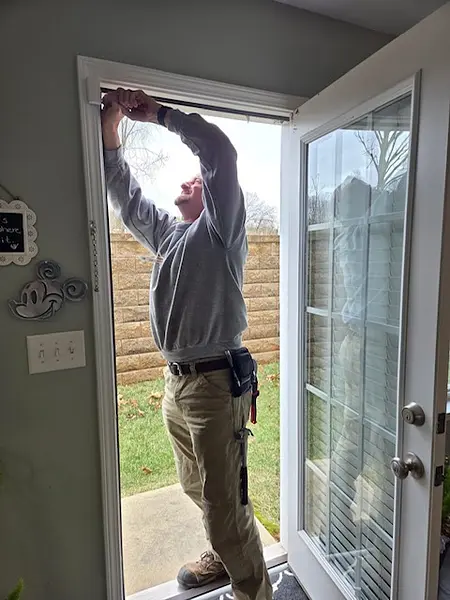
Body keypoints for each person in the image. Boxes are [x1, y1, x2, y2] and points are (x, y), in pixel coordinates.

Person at [101, 88, 272, 600]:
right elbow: (127, 197)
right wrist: (111, 134)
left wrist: (158, 114)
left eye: (195, 181)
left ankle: (253, 590)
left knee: (226, 506)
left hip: (216, 382)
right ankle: (224, 553)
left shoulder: (222, 233)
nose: (185, 181)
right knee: (198, 488)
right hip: (177, 385)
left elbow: (218, 152)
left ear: (214, 198)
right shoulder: (170, 237)